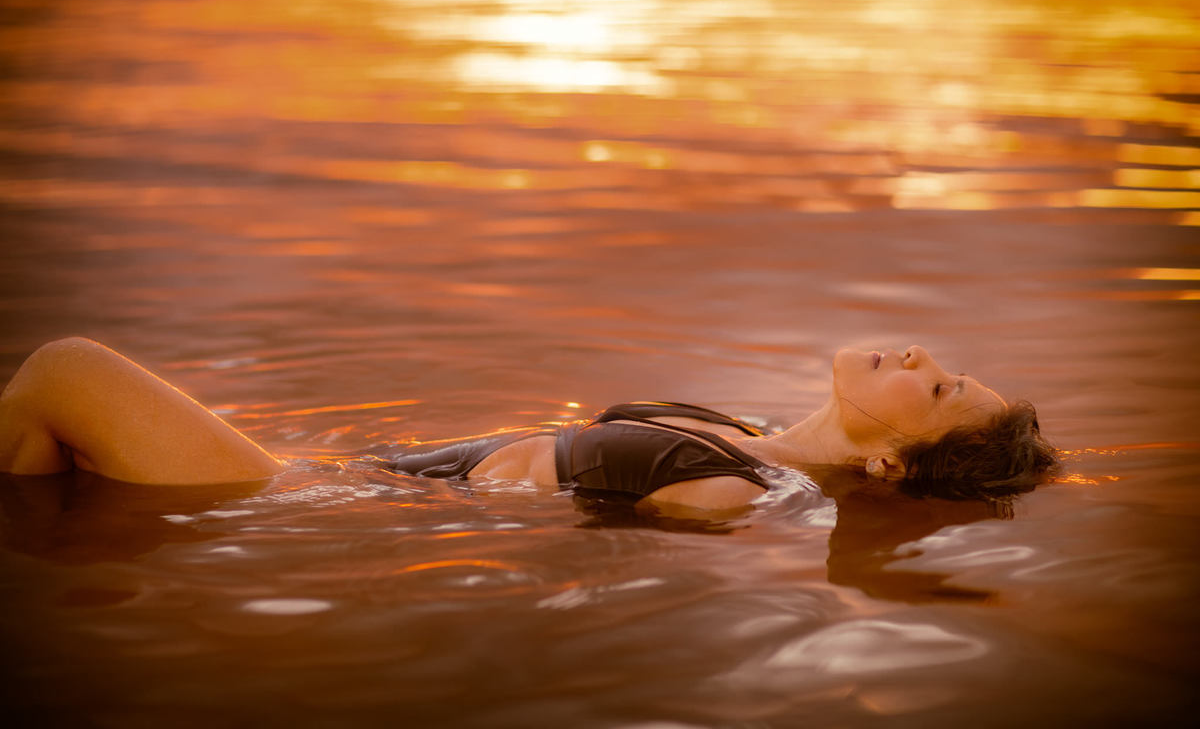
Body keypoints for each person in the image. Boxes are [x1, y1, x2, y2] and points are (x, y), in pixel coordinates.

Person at [0, 337, 1057, 513]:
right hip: (351, 466)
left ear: (889, 454)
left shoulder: (739, 489)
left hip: (310, 501)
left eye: (939, 386)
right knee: (42, 451)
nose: (919, 356)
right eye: (935, 357)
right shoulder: (734, 428)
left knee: (67, 370)